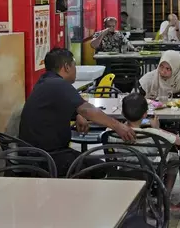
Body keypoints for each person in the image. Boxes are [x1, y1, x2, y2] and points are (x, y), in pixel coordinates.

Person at [19, 48, 135, 176]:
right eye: (74, 65)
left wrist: (78, 115)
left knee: (90, 162)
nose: (76, 69)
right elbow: (87, 109)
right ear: (67, 67)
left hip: (32, 156)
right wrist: (117, 125)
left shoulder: (45, 82)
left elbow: (64, 107)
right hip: (47, 159)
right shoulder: (59, 84)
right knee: (103, 167)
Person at [121, 93, 180, 204]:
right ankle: (165, 197)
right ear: (145, 114)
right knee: (174, 156)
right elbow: (179, 141)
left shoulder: (110, 132)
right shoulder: (153, 133)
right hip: (150, 168)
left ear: (122, 113)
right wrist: (157, 129)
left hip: (124, 167)